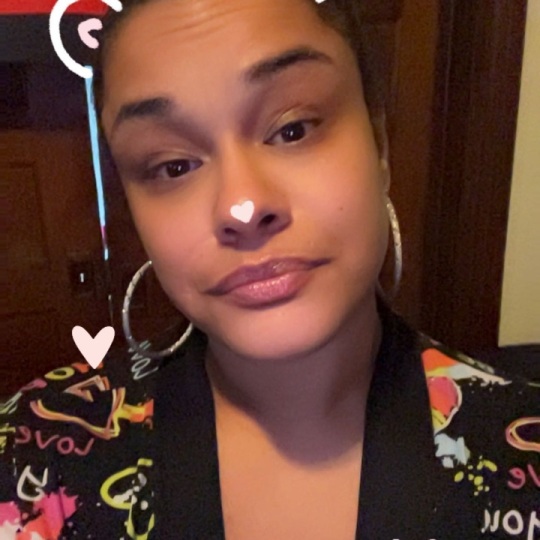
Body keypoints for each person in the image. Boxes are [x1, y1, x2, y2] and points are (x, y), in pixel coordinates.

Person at [1, 0, 538, 538]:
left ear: (379, 144)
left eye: (293, 129)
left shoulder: (522, 454)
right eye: (173, 165)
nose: (243, 206)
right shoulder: (34, 453)